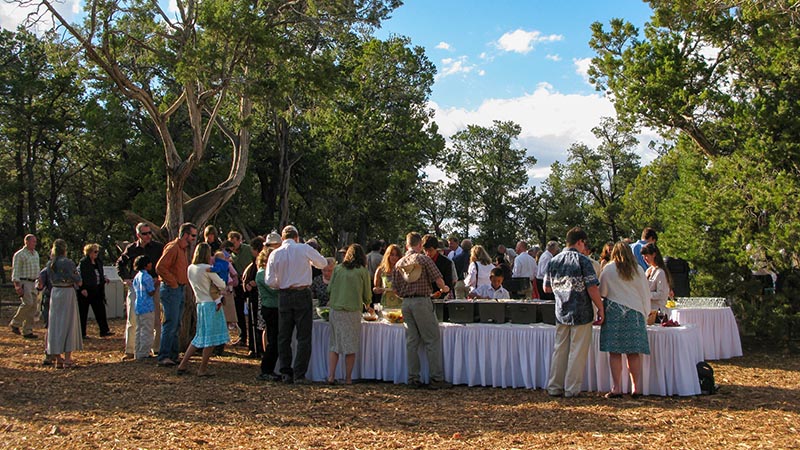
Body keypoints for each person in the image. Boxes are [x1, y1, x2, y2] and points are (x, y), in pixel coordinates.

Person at [543, 227, 604, 398]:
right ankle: (571, 389)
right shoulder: (584, 261)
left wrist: (562, 288)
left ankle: (554, 386)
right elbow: (592, 287)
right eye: (585, 243)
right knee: (577, 351)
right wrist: (600, 307)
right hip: (582, 311)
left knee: (559, 349)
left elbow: (546, 288)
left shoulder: (554, 261)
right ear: (580, 242)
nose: (585, 246)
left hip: (561, 310)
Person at [265, 225, 328, 384]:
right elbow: (322, 263)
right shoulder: (303, 248)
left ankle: (286, 371)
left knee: (284, 335)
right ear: (297, 237)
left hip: (284, 294)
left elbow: (269, 280)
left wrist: (281, 283)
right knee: (303, 336)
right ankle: (299, 374)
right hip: (302, 293)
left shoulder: (275, 253)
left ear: (283, 237)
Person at [393, 232, 452, 390]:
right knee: (431, 339)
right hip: (422, 301)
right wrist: (444, 288)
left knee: (412, 342)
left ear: (406, 245)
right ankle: (436, 378)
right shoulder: (424, 259)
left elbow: (395, 290)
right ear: (420, 245)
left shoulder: (399, 263)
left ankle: (413, 378)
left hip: (406, 303)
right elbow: (438, 279)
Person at [598, 242, 651, 399]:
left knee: (615, 352)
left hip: (614, 313)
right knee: (633, 353)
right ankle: (636, 387)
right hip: (634, 314)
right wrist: (645, 312)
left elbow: (603, 291)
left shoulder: (608, 269)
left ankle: (617, 387)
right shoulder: (638, 270)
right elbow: (645, 293)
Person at [177, 242, 228, 377]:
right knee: (209, 338)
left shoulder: (190, 268)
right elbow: (222, 283)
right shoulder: (207, 268)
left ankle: (183, 364)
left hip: (200, 303)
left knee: (199, 336)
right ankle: (202, 368)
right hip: (211, 303)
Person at [116, 222, 164, 361]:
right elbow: (120, 263)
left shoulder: (157, 248)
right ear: (138, 235)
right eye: (145, 233)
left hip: (153, 286)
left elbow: (163, 264)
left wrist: (159, 278)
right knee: (133, 319)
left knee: (155, 318)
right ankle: (131, 349)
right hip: (136, 287)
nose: (148, 236)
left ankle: (156, 348)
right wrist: (126, 278)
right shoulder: (131, 249)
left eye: (150, 233)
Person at [326, 244, 373, 385]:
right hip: (352, 311)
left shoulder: (338, 269)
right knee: (350, 347)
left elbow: (329, 288)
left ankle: (331, 376)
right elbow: (367, 293)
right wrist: (367, 304)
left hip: (336, 310)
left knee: (335, 345)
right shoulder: (362, 271)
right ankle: (348, 378)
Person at [155, 222, 197, 367]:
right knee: (170, 323)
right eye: (192, 235)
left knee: (176, 324)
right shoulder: (173, 248)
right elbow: (160, 267)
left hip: (178, 289)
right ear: (185, 235)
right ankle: (164, 356)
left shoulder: (183, 250)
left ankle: (173, 355)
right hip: (171, 289)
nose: (194, 238)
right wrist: (172, 283)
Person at [45, 239, 83, 368]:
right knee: (68, 323)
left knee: (55, 324)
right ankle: (67, 358)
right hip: (67, 292)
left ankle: (57, 357)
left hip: (55, 292)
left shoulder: (50, 263)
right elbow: (78, 280)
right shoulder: (68, 263)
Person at [77, 243, 112, 338]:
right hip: (86, 291)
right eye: (95, 251)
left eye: (97, 251)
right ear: (89, 253)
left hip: (97, 289)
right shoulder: (83, 263)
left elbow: (99, 273)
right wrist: (82, 288)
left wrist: (104, 278)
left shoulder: (98, 262)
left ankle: (104, 330)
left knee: (100, 310)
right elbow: (79, 276)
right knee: (83, 312)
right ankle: (82, 333)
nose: (96, 254)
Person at [255, 248, 280, 381]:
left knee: (276, 339)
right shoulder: (262, 274)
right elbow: (274, 290)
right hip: (270, 308)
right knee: (273, 340)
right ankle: (266, 369)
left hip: (274, 308)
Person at [10, 234, 40, 339]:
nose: (35, 244)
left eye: (35, 242)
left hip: (33, 282)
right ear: (26, 242)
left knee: (33, 307)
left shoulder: (35, 254)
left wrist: (39, 280)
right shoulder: (20, 254)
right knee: (28, 303)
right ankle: (15, 322)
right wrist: (17, 285)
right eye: (33, 241)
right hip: (24, 281)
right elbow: (16, 270)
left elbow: (37, 268)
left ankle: (28, 330)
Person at [228, 231, 253, 348]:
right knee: (239, 311)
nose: (232, 245)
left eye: (234, 242)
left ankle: (253, 339)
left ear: (239, 241)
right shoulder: (230, 255)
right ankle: (243, 337)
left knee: (252, 310)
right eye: (230, 243)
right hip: (238, 285)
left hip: (249, 283)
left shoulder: (248, 249)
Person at [241, 237, 265, 357]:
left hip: (258, 296)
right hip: (253, 296)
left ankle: (259, 347)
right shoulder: (253, 263)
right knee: (253, 323)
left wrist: (253, 283)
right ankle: (254, 346)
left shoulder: (260, 263)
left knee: (258, 323)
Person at [132, 255, 156, 360]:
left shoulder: (137, 276)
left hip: (139, 306)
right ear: (146, 265)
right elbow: (151, 292)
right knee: (147, 330)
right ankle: (144, 352)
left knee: (139, 330)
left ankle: (137, 351)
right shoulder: (147, 277)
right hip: (147, 306)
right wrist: (156, 284)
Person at [640, 243, 672, 311]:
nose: (644, 259)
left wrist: (646, 295)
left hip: (658, 311)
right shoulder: (649, 270)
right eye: (643, 256)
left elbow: (661, 294)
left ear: (654, 254)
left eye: (646, 256)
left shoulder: (661, 272)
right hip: (648, 310)